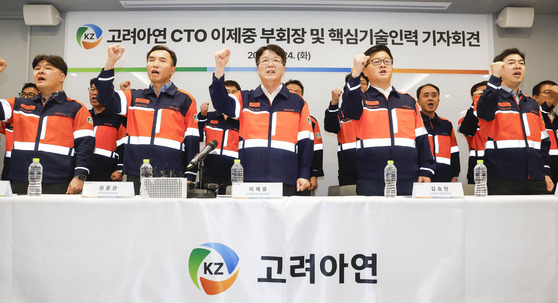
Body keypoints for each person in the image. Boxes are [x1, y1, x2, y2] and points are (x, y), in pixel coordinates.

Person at [95, 44, 200, 194]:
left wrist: (191, 174)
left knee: (167, 216)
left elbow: (192, 139)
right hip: (136, 172)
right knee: (137, 216)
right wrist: (110, 62)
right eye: (151, 60)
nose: (155, 64)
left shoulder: (185, 100)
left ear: (172, 69)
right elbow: (104, 97)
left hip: (171, 173)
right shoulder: (133, 97)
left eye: (162, 60)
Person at [210, 45, 313, 196]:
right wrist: (219, 68)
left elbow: (306, 141)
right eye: (265, 60)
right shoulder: (244, 98)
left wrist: (304, 173)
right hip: (250, 180)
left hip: (286, 179)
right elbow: (221, 103)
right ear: (258, 69)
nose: (270, 64)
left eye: (276, 60)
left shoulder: (298, 102)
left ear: (284, 69)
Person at [341, 44, 435, 196]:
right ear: (365, 70)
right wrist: (355, 74)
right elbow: (349, 108)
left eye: (387, 61)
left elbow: (422, 138)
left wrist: (426, 168)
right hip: (370, 179)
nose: (383, 65)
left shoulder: (408, 101)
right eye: (376, 62)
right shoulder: (361, 100)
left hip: (408, 177)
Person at [0, 55, 94, 194]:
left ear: (62, 77)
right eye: (37, 68)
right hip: (20, 181)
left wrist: (80, 176)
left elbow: (85, 145)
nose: (40, 71)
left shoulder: (76, 108)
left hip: (59, 182)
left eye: (47, 68)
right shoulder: (19, 105)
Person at [476, 48, 553, 194]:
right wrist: (494, 78)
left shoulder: (531, 103)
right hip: (501, 178)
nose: (518, 66)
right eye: (511, 63)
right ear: (500, 69)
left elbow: (543, 140)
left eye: (521, 63)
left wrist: (546, 172)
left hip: (536, 178)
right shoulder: (489, 99)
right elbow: (484, 111)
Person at [196, 79, 241, 195]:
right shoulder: (209, 116)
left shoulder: (242, 120)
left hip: (233, 173)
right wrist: (202, 116)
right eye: (226, 91)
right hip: (210, 172)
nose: (230, 95)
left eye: (233, 92)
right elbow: (198, 137)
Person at [324, 74, 368, 186]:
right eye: (354, 84)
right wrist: (334, 103)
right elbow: (330, 127)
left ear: (367, 86)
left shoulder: (375, 109)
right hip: (348, 167)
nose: (358, 86)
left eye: (362, 83)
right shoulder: (340, 112)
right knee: (350, 201)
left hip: (371, 165)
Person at [285, 79, 324, 193]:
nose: (292, 94)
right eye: (289, 91)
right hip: (281, 172)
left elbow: (317, 149)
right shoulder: (273, 117)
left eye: (297, 92)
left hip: (303, 175)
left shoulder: (311, 121)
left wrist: (314, 176)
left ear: (302, 97)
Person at [416, 83, 460, 182]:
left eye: (434, 95)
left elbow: (454, 152)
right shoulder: (414, 123)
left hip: (444, 178)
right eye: (426, 96)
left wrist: (454, 176)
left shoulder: (446, 124)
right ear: (418, 101)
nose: (430, 98)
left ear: (438, 100)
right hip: (422, 177)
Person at [88, 78, 127, 181]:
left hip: (108, 175)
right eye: (92, 89)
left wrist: (120, 169)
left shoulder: (117, 118)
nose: (94, 93)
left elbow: (123, 147)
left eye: (99, 90)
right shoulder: (83, 116)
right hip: (83, 173)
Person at [1, 83, 39, 181]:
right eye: (23, 94)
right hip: (9, 166)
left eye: (31, 95)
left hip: (33, 166)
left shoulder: (40, 119)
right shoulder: (11, 118)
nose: (25, 98)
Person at [458, 81, 488, 184]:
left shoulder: (501, 117)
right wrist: (475, 103)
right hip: (477, 169)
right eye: (481, 93)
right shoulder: (465, 120)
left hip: (501, 168)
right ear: (473, 97)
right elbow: (466, 129)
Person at [533, 80, 558, 189]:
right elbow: (542, 111)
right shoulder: (533, 118)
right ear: (535, 98)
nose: (552, 96)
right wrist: (551, 99)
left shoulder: (556, 119)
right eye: (547, 92)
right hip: (543, 171)